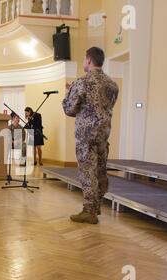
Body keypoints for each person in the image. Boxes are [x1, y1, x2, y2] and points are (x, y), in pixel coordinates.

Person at [62, 47, 119, 224]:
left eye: (85, 60)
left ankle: (89, 211)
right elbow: (104, 107)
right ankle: (96, 207)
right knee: (99, 170)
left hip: (86, 135)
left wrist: (69, 92)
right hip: (103, 134)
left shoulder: (82, 82)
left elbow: (69, 109)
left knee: (87, 171)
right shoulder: (112, 84)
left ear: (88, 60)